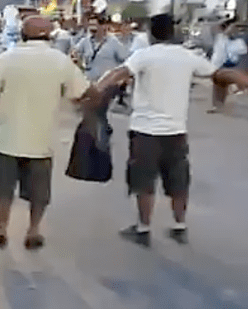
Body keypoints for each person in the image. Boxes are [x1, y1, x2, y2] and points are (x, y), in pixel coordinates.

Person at [0, 16, 97, 250]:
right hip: (42, 138)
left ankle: (1, 227)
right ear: (49, 36)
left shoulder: (8, 58)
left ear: (23, 35)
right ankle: (33, 230)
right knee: (39, 191)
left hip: (8, 136)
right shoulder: (61, 61)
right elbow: (85, 92)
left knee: (3, 187)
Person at [97, 14, 248, 247]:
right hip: (176, 131)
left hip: (145, 131)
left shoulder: (144, 56)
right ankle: (179, 226)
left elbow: (119, 74)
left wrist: (94, 91)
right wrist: (240, 80)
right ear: (173, 32)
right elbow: (217, 75)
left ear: (150, 33)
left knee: (144, 181)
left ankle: (143, 228)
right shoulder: (187, 57)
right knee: (179, 180)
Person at [209, 17, 247, 113]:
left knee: (222, 81)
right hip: (221, 66)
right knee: (219, 84)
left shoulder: (240, 40)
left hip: (234, 67)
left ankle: (218, 105)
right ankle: (218, 106)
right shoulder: (219, 37)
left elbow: (242, 52)